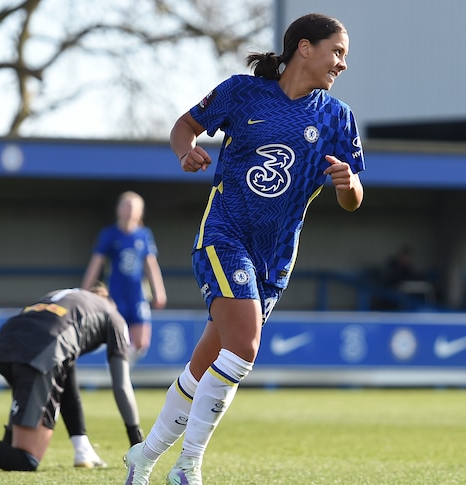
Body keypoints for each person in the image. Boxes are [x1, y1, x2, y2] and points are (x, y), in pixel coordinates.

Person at [122, 12, 364, 485]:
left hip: (274, 261)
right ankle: (188, 467)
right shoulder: (241, 91)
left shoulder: (337, 118)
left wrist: (348, 183)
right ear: (305, 48)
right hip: (224, 236)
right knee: (245, 346)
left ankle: (143, 458)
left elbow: (353, 200)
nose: (343, 64)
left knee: (204, 366)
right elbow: (184, 126)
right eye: (337, 52)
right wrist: (184, 150)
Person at [0, 283, 144, 473]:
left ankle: (83, 449)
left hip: (6, 342)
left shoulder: (68, 297)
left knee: (9, 448)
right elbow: (122, 385)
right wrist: (138, 444)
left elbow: (66, 377)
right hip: (41, 349)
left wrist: (80, 445)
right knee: (26, 459)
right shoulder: (114, 315)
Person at [81, 191, 167, 363]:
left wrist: (159, 291)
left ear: (140, 212)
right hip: (115, 294)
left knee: (142, 343)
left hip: (138, 295)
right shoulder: (109, 234)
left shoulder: (144, 234)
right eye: (125, 205)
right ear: (118, 209)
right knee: (118, 339)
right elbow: (96, 263)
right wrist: (84, 291)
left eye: (133, 207)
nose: (129, 210)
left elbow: (151, 265)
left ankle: (123, 369)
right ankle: (118, 373)